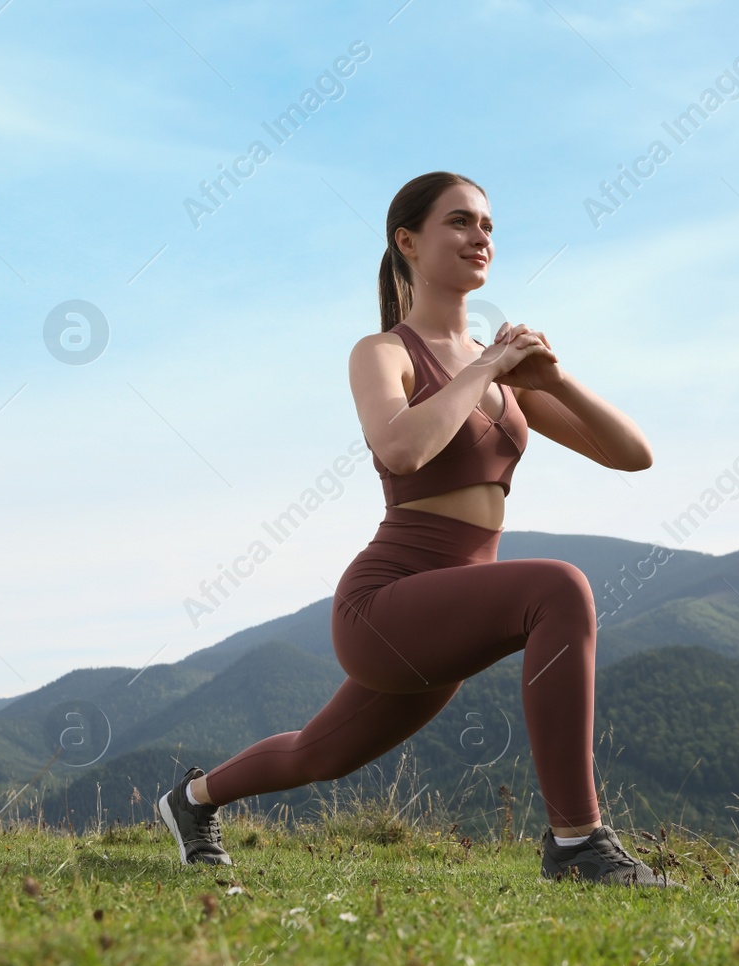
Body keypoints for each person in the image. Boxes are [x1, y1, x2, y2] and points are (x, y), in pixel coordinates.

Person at [159, 171, 680, 887]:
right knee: (560, 588)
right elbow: (399, 448)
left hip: (449, 615)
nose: (481, 238)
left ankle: (191, 799)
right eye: (460, 222)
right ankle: (577, 842)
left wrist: (552, 381)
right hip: (385, 603)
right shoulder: (385, 353)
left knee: (318, 753)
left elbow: (634, 455)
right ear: (407, 241)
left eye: (489, 226)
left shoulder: (506, 376)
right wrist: (490, 362)